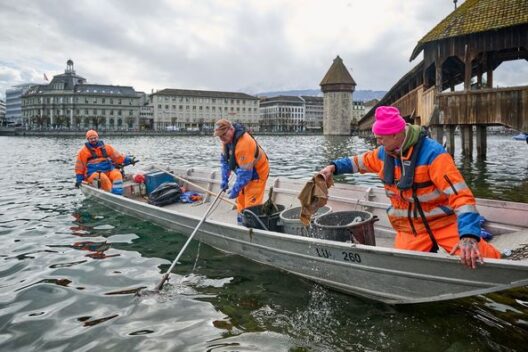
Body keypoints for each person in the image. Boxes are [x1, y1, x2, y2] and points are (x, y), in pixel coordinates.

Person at [319, 106, 500, 269]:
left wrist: (468, 236)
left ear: (396, 135)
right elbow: (357, 162)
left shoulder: (434, 155)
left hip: (443, 224)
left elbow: (461, 197)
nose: (378, 143)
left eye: (381, 138)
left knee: (489, 261)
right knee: (398, 269)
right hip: (410, 231)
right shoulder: (383, 154)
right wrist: (333, 167)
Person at [214, 119, 269, 224]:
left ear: (231, 129)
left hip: (257, 173)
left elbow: (245, 175)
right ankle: (241, 223)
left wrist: (235, 189)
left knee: (251, 205)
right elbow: (225, 162)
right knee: (241, 200)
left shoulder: (244, 143)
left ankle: (253, 227)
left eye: (223, 134)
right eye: (219, 136)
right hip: (244, 171)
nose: (221, 138)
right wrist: (224, 179)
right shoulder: (226, 141)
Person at [74, 130, 136, 195]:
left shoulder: (107, 147)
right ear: (88, 139)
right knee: (102, 177)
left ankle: (118, 193)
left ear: (97, 138)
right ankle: (111, 194)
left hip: (108, 170)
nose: (93, 140)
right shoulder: (83, 152)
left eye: (95, 138)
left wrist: (129, 160)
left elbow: (118, 157)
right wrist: (79, 180)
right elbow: (79, 167)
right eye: (91, 139)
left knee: (117, 174)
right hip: (93, 174)